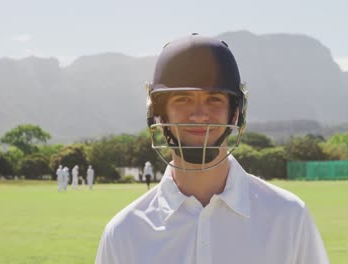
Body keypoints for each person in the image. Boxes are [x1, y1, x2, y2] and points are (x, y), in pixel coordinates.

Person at [96, 34, 329, 264]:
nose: (198, 115)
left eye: (214, 99)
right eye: (183, 99)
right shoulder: (123, 234)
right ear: (159, 114)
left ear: (236, 113)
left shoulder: (288, 217)